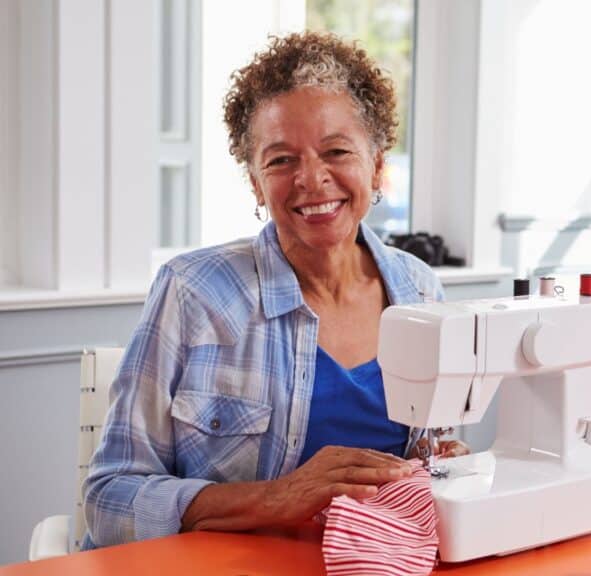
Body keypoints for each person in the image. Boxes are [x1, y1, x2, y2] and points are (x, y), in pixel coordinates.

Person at [83, 32, 467, 548]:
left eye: (336, 150)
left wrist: (449, 474)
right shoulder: (192, 293)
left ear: (377, 166)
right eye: (281, 160)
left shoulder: (421, 291)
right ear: (255, 182)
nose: (311, 179)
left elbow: (432, 460)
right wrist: (278, 497)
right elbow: (109, 498)